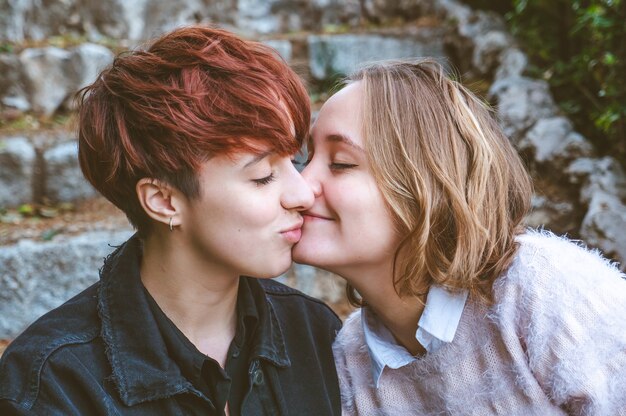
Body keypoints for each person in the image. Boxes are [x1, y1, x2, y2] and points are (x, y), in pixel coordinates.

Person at [0, 26, 341, 415]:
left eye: (294, 160)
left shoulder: (314, 332)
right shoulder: (55, 383)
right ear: (164, 201)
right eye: (263, 175)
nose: (303, 194)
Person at [293, 58, 626, 415]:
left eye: (340, 163)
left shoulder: (541, 288)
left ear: (429, 185)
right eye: (306, 160)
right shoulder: (349, 361)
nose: (300, 185)